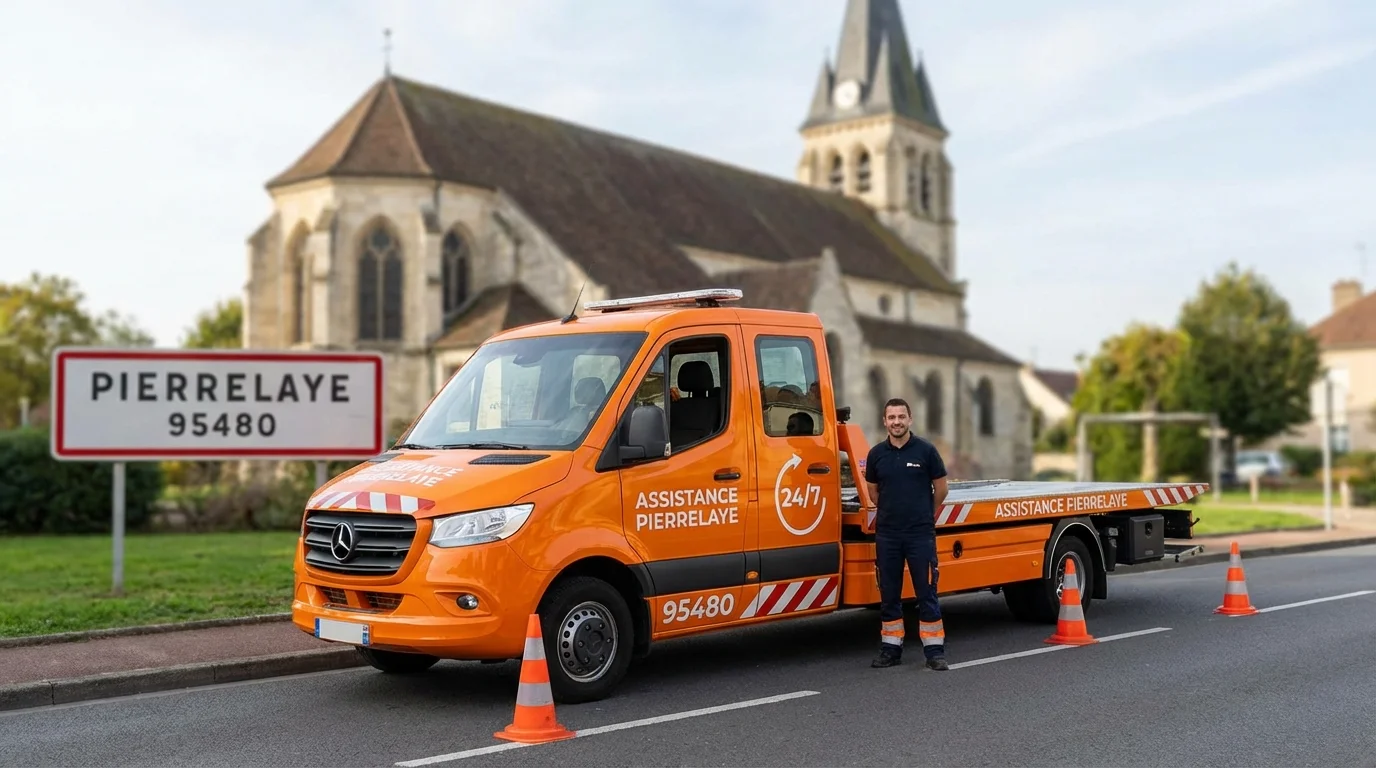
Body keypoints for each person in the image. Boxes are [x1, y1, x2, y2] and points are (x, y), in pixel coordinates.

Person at [864, 397, 949, 670]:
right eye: (891, 418)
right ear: (884, 421)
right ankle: (891, 650)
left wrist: (925, 513)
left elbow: (942, 489)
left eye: (901, 417)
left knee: (926, 591)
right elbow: (873, 492)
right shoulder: (877, 454)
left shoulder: (926, 451)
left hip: (919, 535)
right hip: (888, 535)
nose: (896, 422)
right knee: (889, 593)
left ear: (910, 419)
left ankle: (934, 652)